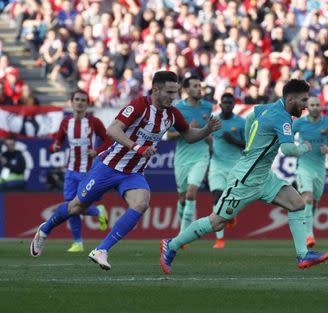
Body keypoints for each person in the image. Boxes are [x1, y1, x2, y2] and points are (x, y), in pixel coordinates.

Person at [30, 71, 221, 271]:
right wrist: (138, 148)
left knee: (141, 203)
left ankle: (101, 250)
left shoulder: (172, 114)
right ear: (156, 90)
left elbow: (188, 135)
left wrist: (207, 130)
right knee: (76, 207)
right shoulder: (139, 105)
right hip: (109, 167)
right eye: (169, 92)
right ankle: (45, 229)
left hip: (133, 173)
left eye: (175, 92)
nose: (173, 97)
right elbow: (113, 130)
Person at [160, 79, 328, 275]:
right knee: (217, 221)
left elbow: (252, 116)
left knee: (297, 203)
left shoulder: (270, 107)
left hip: (264, 176)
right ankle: (171, 245)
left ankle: (303, 254)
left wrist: (250, 143)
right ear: (290, 99)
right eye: (303, 101)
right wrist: (304, 147)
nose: (304, 106)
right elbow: (287, 149)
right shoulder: (282, 117)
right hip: (245, 179)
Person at [49, 89, 111, 252]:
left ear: (87, 104)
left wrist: (97, 151)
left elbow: (108, 141)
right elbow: (57, 142)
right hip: (70, 170)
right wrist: (54, 147)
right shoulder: (65, 123)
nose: (80, 102)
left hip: (87, 171)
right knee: (70, 206)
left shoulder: (94, 122)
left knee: (78, 205)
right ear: (71, 102)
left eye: (83, 100)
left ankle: (98, 211)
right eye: (77, 99)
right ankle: (78, 242)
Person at [292, 96, 328, 249]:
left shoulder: (327, 124)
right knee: (307, 198)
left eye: (317, 105)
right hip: (303, 166)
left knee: (314, 202)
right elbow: (287, 137)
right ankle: (309, 235)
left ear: (321, 107)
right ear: (307, 107)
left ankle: (307, 229)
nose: (315, 107)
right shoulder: (299, 123)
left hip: (319, 168)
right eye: (312, 105)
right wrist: (296, 147)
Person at [166, 75, 214, 240]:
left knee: (192, 193)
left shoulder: (208, 107)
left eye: (199, 86)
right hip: (182, 157)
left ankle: (183, 235)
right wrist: (186, 129)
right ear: (185, 90)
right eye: (194, 86)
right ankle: (184, 226)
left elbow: (211, 134)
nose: (198, 89)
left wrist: (207, 130)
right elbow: (168, 136)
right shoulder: (177, 108)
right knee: (183, 197)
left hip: (201, 155)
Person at [208, 93, 245, 249]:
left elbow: (247, 145)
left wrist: (233, 140)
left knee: (230, 201)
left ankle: (231, 216)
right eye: (225, 102)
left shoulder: (242, 123)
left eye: (230, 102)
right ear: (220, 104)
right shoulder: (213, 120)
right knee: (217, 198)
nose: (228, 105)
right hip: (216, 165)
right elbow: (207, 138)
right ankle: (220, 239)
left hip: (234, 167)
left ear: (234, 105)